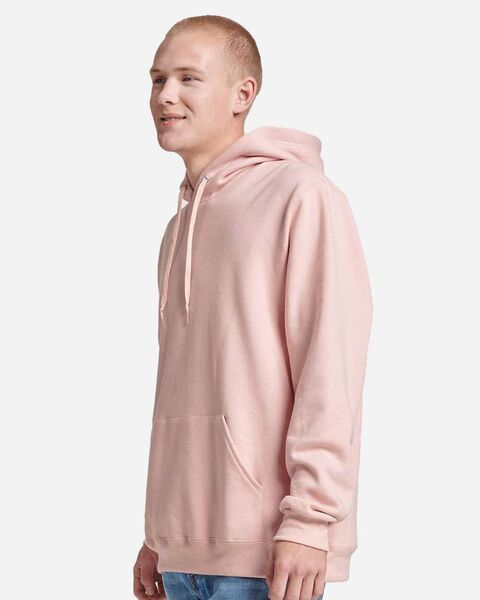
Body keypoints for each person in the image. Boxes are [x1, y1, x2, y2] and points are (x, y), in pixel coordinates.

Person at [133, 14, 373, 600]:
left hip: (271, 554)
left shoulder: (302, 197)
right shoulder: (176, 229)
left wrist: (311, 522)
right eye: (158, 79)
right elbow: (184, 388)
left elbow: (329, 367)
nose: (165, 96)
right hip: (180, 555)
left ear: (243, 94)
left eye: (189, 78)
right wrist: (161, 534)